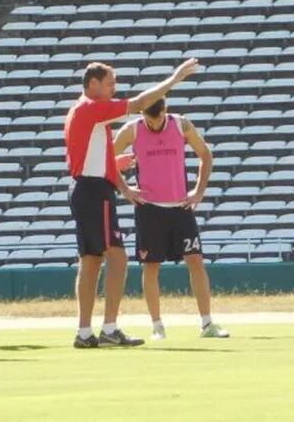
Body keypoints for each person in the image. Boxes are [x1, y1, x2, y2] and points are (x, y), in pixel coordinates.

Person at [66, 58, 199, 348]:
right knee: (117, 257)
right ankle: (109, 328)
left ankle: (85, 332)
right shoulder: (91, 108)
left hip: (85, 187)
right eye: (110, 83)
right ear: (93, 84)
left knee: (90, 261)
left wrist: (115, 169)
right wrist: (174, 79)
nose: (114, 88)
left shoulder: (82, 111)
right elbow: (139, 104)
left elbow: (88, 156)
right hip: (93, 191)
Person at [113, 97, 228, 341]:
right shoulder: (132, 129)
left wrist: (198, 191)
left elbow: (205, 154)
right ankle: (157, 326)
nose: (154, 125)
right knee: (151, 266)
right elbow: (105, 160)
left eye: (157, 119)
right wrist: (124, 189)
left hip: (180, 207)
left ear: (165, 110)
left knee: (196, 261)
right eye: (149, 120)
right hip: (149, 209)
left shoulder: (181, 125)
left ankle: (207, 324)